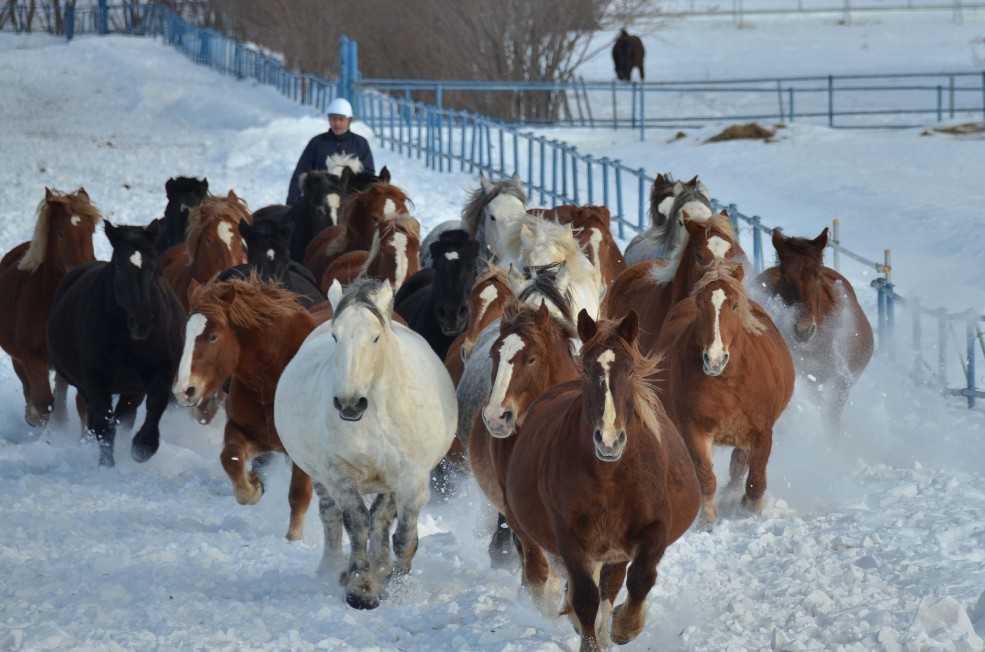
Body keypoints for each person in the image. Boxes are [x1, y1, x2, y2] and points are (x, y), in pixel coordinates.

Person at [285, 97, 375, 205]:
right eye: (333, 119)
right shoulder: (317, 143)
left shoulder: (360, 143)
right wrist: (291, 203)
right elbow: (300, 173)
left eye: (341, 119)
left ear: (349, 120)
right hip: (320, 203)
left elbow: (369, 176)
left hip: (350, 204)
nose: (337, 123)